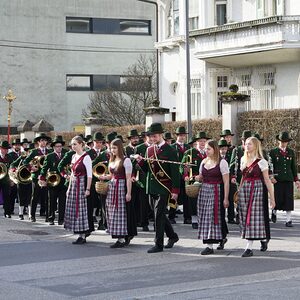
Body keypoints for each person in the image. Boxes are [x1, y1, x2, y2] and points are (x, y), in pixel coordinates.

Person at [136, 123, 180, 253]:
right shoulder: (149, 150)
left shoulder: (170, 150)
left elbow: (175, 172)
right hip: (152, 186)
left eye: (154, 136)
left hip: (164, 187)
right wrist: (140, 161)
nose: (152, 139)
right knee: (158, 214)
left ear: (160, 135)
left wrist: (175, 190)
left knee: (159, 215)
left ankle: (158, 244)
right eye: (150, 136)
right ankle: (172, 236)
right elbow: (146, 170)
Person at [239, 137, 275, 257]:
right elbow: (242, 178)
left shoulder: (261, 162)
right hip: (245, 189)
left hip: (258, 189)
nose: (247, 146)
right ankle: (263, 239)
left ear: (255, 146)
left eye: (249, 144)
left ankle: (249, 247)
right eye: (246, 144)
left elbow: (267, 180)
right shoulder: (243, 159)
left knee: (253, 216)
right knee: (245, 215)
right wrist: (239, 190)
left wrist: (272, 198)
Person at [195, 140, 229, 255]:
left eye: (208, 149)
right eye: (205, 149)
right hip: (204, 191)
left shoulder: (222, 162)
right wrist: (196, 178)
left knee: (215, 217)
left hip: (216, 191)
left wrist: (226, 198)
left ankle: (211, 245)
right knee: (205, 217)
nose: (206, 151)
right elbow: (201, 177)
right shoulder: (203, 162)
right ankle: (217, 239)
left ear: (215, 149)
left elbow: (226, 182)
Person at [99, 138, 133, 248]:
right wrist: (104, 177)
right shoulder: (112, 160)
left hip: (121, 187)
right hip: (112, 187)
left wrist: (128, 193)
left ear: (119, 148)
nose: (112, 150)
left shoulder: (126, 160)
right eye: (111, 148)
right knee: (111, 211)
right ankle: (117, 235)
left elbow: (128, 178)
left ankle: (121, 238)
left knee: (120, 212)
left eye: (114, 148)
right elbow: (112, 176)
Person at [64, 136, 92, 244]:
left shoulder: (86, 157)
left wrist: (88, 189)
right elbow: (72, 174)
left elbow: (89, 175)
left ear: (81, 144)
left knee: (81, 210)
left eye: (75, 144)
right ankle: (79, 232)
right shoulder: (73, 156)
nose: (73, 146)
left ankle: (83, 235)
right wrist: (69, 187)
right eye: (72, 144)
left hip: (82, 184)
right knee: (74, 209)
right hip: (74, 184)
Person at [269, 132, 300, 227]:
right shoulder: (273, 152)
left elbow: (293, 167)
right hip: (277, 179)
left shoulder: (291, 152)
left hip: (288, 179)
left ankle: (288, 220)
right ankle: (274, 212)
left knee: (288, 200)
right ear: (278, 141)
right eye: (282, 141)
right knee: (277, 198)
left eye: (285, 142)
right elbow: (270, 166)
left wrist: (297, 180)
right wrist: (271, 177)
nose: (284, 143)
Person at [181, 132, 210, 229]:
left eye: (204, 141)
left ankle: (204, 219)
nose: (202, 143)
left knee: (205, 200)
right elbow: (182, 166)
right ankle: (194, 219)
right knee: (193, 201)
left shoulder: (209, 152)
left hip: (206, 180)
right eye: (200, 141)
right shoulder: (189, 152)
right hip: (192, 180)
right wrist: (185, 174)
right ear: (196, 142)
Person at [23, 133, 52, 222]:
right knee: (35, 196)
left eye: (45, 140)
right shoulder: (34, 151)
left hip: (46, 177)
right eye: (42, 140)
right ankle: (32, 215)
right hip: (36, 177)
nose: (43, 142)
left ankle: (48, 216)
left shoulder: (49, 152)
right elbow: (25, 161)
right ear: (38, 142)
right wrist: (31, 168)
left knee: (47, 197)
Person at [39, 136, 68, 225]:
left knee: (62, 201)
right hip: (52, 182)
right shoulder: (49, 156)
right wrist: (42, 179)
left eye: (60, 146)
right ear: (54, 147)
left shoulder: (65, 155)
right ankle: (51, 218)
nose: (59, 148)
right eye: (57, 146)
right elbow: (44, 169)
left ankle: (61, 219)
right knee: (51, 201)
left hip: (63, 182)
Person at [229, 130, 252, 224]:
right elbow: (232, 164)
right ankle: (239, 215)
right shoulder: (237, 150)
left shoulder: (253, 150)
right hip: (240, 177)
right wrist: (233, 176)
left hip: (251, 177)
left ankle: (248, 216)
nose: (246, 142)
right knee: (239, 197)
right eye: (244, 140)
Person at [170, 126, 191, 224]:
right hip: (176, 175)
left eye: (184, 136)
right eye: (180, 135)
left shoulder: (188, 147)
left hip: (186, 175)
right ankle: (171, 215)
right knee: (174, 196)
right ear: (177, 136)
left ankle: (187, 217)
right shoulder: (172, 147)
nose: (182, 137)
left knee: (187, 196)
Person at [9, 143, 34, 220]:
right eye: (28, 151)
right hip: (21, 179)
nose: (29, 153)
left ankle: (30, 214)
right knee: (21, 196)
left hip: (30, 180)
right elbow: (13, 164)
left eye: (31, 151)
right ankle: (21, 214)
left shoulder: (35, 159)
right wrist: (14, 170)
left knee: (30, 197)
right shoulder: (22, 157)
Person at [0, 141, 14, 218]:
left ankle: (7, 212)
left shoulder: (9, 157)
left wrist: (12, 180)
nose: (6, 150)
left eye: (7, 149)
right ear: (0, 148)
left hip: (6, 179)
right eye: (4, 149)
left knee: (7, 196)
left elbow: (12, 169)